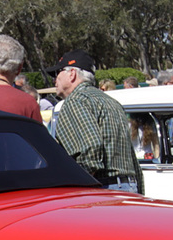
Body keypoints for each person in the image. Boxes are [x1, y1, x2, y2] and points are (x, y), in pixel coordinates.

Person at [50, 50, 142, 192]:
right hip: (128, 186)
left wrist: (77, 186)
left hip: (104, 189)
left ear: (72, 73)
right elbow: (130, 155)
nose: (55, 80)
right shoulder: (111, 102)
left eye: (57, 74)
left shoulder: (76, 101)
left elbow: (91, 151)